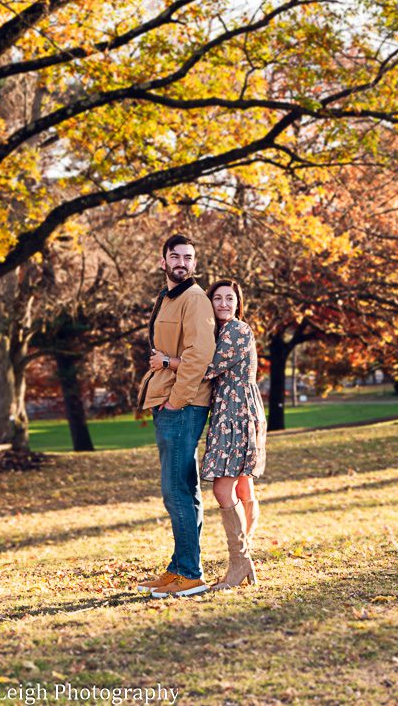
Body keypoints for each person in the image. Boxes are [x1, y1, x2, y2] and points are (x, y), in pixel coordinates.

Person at [149, 278, 266, 591]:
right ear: (210, 303)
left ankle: (240, 563)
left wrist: (166, 361)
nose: (225, 304)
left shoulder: (237, 330)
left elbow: (206, 367)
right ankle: (244, 563)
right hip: (230, 412)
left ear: (238, 303)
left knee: (224, 490)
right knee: (242, 486)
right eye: (218, 299)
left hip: (237, 414)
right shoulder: (223, 331)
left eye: (230, 298)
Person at [136, 233, 216, 598]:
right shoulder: (170, 298)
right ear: (163, 261)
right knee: (183, 487)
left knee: (176, 490)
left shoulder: (195, 300)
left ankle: (190, 574)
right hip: (168, 400)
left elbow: (199, 357)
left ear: (194, 264)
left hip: (182, 404)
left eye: (188, 257)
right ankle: (179, 566)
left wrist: (176, 401)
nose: (181, 262)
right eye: (175, 256)